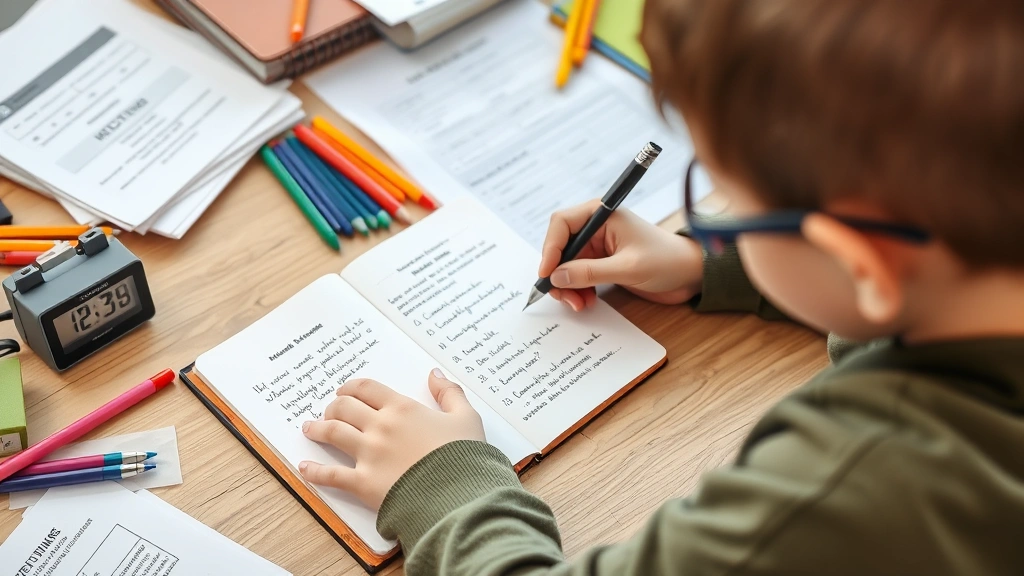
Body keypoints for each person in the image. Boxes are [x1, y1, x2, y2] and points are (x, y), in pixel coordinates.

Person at [296, 0, 1024, 573]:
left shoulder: (844, 486)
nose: (712, 220)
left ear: (857, 261)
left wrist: (445, 488)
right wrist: (716, 264)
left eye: (724, 201)